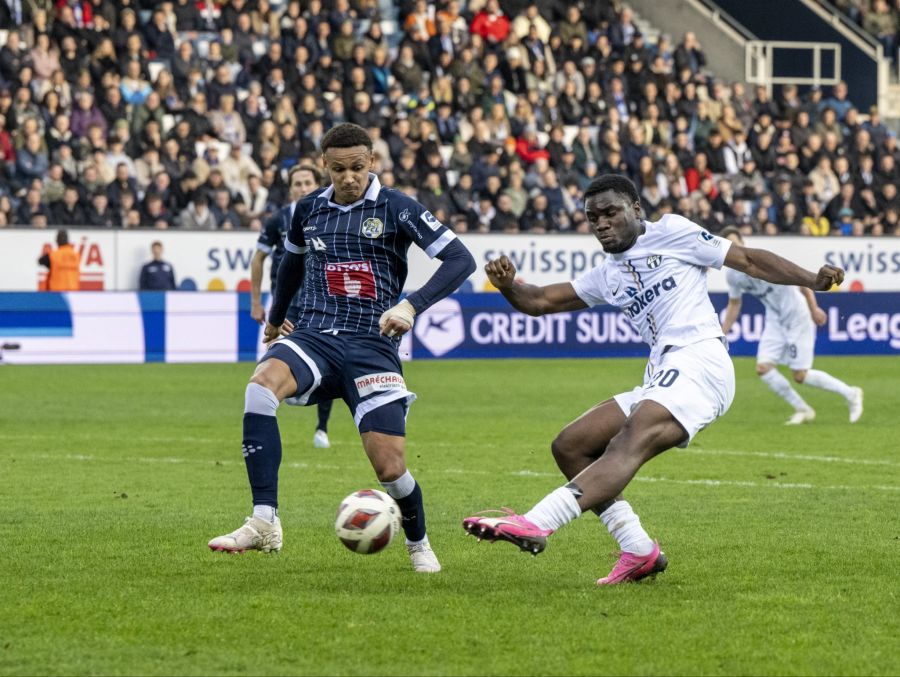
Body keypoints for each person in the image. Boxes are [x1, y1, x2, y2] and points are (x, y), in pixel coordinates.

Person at [461, 175, 845, 585]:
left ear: (636, 209)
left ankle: (537, 522)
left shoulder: (673, 233)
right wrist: (507, 287)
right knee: (571, 446)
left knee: (631, 437)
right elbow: (538, 300)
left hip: (702, 361)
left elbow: (749, 260)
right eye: (593, 218)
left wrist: (811, 279)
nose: (601, 223)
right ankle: (638, 550)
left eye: (610, 212)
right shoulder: (607, 275)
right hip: (662, 375)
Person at [208, 123, 476, 573]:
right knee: (260, 387)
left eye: (356, 167)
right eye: (338, 169)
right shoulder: (307, 210)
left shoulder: (397, 207)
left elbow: (461, 259)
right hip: (315, 333)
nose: (348, 177)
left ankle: (418, 542)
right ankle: (264, 520)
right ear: (325, 167)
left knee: (390, 469)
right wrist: (275, 323)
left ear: (372, 161)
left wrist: (411, 306)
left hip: (372, 344)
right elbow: (289, 268)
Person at [719, 227, 862, 424]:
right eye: (731, 245)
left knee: (800, 375)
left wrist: (813, 308)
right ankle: (803, 409)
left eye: (737, 243)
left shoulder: (761, 261)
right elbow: (734, 303)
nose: (735, 247)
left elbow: (801, 282)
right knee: (763, 368)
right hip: (774, 319)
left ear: (743, 242)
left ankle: (850, 393)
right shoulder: (733, 276)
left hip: (797, 315)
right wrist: (721, 334)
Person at [250, 163, 335, 449]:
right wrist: (256, 302)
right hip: (287, 305)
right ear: (290, 189)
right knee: (274, 363)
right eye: (297, 184)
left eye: (307, 182)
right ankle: (271, 414)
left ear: (317, 184)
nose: (302, 188)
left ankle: (322, 427)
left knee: (328, 361)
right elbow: (258, 259)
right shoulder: (277, 220)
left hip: (322, 302)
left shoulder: (330, 214)